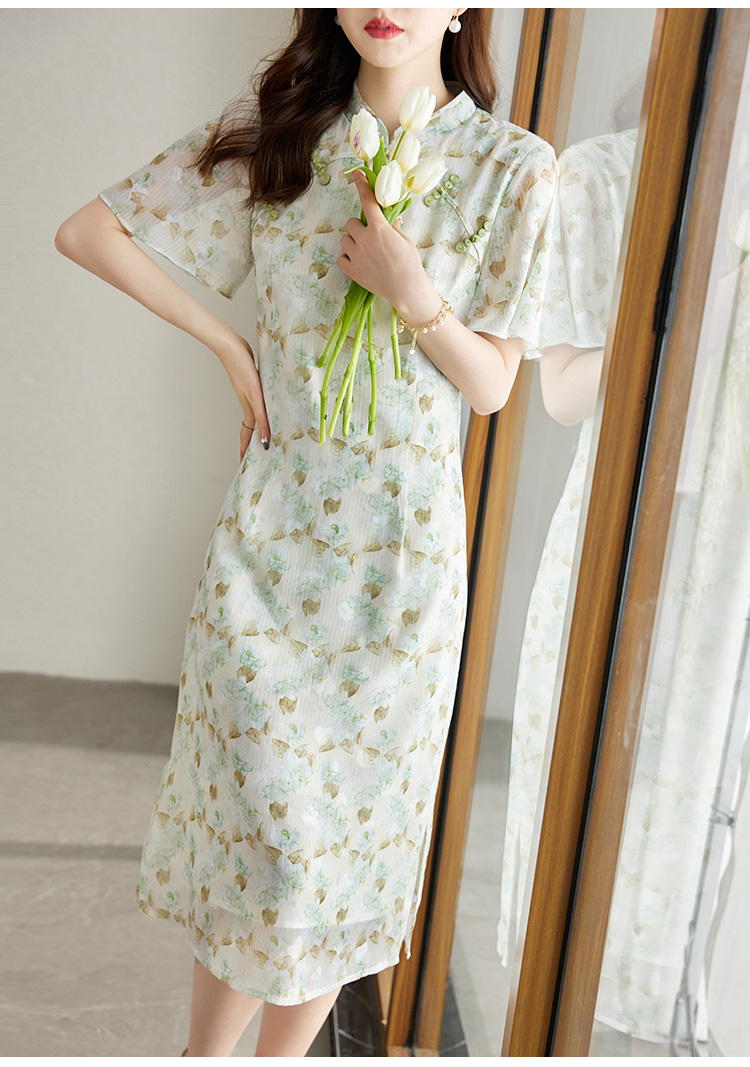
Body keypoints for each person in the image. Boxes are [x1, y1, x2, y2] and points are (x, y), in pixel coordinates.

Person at [55, 8, 556, 1057]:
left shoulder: (513, 168)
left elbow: (493, 384)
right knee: (267, 838)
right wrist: (229, 346)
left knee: (336, 853)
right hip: (269, 551)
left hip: (402, 576)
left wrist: (413, 293)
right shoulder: (287, 133)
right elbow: (89, 232)